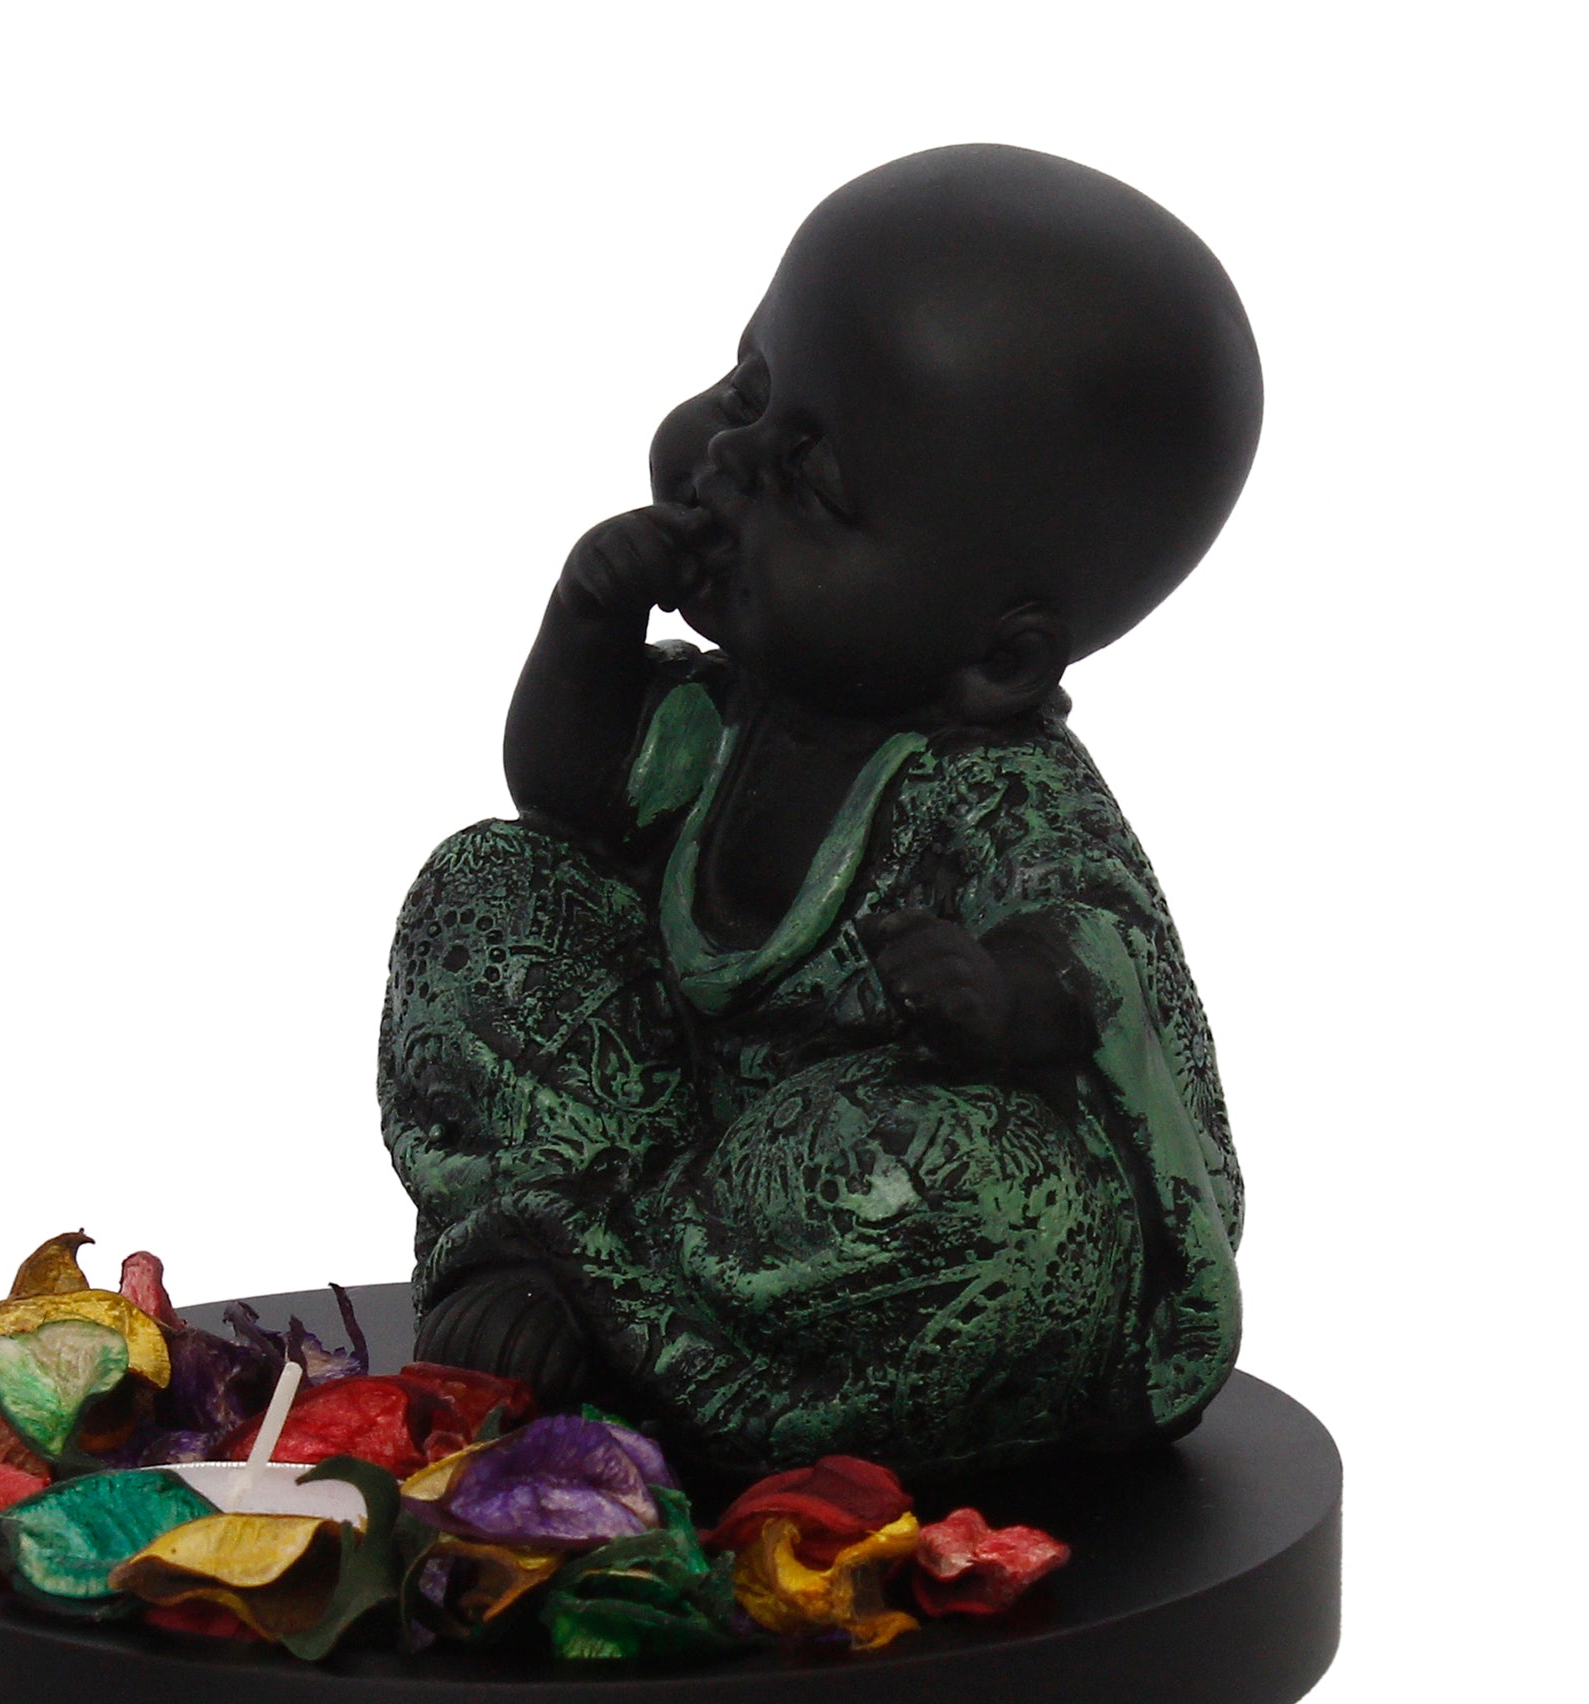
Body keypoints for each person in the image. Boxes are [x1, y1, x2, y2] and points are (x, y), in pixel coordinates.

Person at [379, 144, 1261, 1482]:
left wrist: (994, 996)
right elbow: (567, 789)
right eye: (747, 388)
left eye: (813, 479)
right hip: (666, 1135)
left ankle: (633, 1325)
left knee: (988, 1197)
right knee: (489, 890)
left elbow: (1099, 946)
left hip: (840, 1181)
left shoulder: (995, 792)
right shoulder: (724, 714)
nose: (726, 462)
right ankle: (542, 1250)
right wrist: (587, 620)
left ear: (1002, 660)